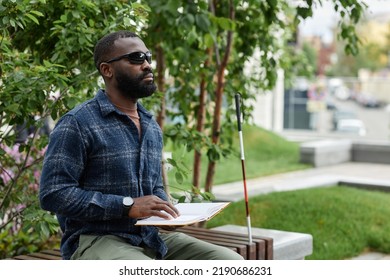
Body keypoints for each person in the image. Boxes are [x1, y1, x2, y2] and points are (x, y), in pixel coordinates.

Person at [39, 30, 243, 260]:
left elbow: (153, 187)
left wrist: (165, 212)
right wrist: (126, 205)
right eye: (136, 58)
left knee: (230, 262)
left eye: (147, 57)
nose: (147, 65)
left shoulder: (150, 125)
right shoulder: (78, 123)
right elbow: (53, 194)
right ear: (107, 70)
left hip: (149, 235)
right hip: (95, 238)